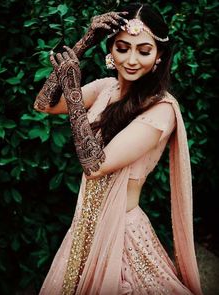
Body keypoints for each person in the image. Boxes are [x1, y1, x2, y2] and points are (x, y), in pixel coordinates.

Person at [34, 3, 203, 295]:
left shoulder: (161, 109)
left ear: (160, 55)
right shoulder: (106, 88)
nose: (132, 59)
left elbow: (95, 165)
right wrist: (85, 40)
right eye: (122, 48)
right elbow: (44, 105)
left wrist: (74, 90)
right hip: (84, 228)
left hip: (121, 235)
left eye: (144, 50)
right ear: (110, 50)